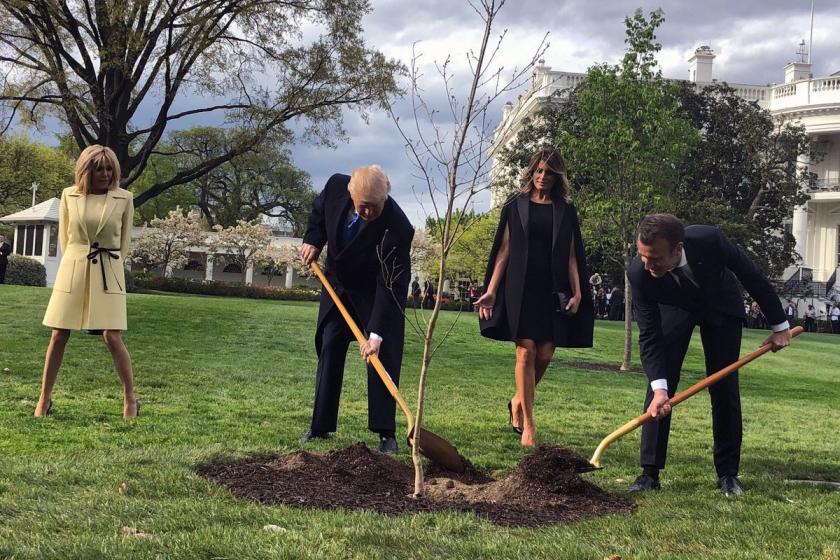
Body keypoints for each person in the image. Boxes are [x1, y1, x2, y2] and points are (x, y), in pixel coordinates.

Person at [627, 213, 791, 496]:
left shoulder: (709, 239)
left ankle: (728, 474)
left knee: (724, 384)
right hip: (675, 307)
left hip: (720, 306)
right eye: (643, 256)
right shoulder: (639, 273)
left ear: (678, 248)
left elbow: (751, 276)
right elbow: (649, 335)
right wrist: (659, 388)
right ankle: (649, 473)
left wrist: (779, 326)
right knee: (660, 384)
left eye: (654, 258)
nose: (647, 264)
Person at [476, 148, 594, 447]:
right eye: (539, 171)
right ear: (531, 172)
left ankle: (517, 400)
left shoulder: (565, 209)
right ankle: (528, 423)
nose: (543, 177)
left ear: (557, 176)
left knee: (545, 355)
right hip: (520, 286)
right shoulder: (516, 204)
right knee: (525, 352)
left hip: (552, 287)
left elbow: (571, 255)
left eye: (549, 173)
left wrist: (578, 292)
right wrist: (491, 290)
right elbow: (503, 249)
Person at [298, 165, 413, 455]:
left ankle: (386, 432)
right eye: (364, 207)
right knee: (330, 347)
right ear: (351, 193)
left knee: (382, 356)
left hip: (376, 293)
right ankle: (320, 425)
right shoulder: (336, 186)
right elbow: (318, 215)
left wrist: (376, 333)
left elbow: (393, 283)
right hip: (337, 287)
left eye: (375, 207)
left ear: (385, 197)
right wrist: (313, 239)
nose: (370, 213)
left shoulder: (398, 226)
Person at [36, 145, 139, 419]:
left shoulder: (124, 198)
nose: (105, 174)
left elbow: (125, 242)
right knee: (58, 335)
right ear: (86, 170)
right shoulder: (69, 195)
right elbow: (66, 239)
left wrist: (112, 266)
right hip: (75, 268)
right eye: (98, 169)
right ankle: (44, 398)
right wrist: (75, 261)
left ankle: (130, 397)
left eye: (109, 169)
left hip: (109, 270)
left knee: (111, 335)